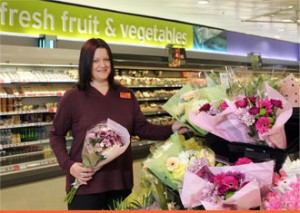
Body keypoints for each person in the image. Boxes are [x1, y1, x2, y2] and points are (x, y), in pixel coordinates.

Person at [49, 38, 188, 210]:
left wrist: (171, 128)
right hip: (85, 184)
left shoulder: (126, 95)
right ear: (86, 64)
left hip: (120, 184)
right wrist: (69, 165)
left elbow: (141, 128)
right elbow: (56, 134)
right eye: (96, 60)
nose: (103, 65)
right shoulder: (73, 97)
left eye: (106, 59)